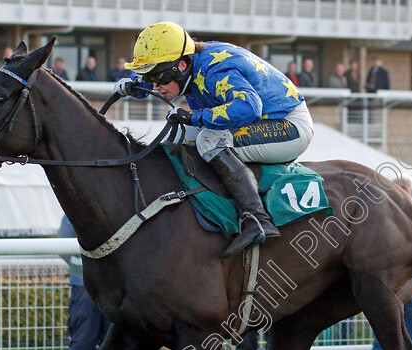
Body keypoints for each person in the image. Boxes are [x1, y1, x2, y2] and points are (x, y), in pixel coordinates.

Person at [115, 21, 314, 257]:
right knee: (178, 134)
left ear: (181, 65)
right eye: (150, 78)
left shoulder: (214, 71)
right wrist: (136, 85)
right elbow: (160, 77)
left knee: (208, 140)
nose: (155, 86)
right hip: (260, 120)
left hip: (288, 124)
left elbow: (249, 107)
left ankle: (256, 219)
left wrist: (194, 116)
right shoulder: (189, 61)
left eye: (158, 77)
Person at [370, 176, 412, 350]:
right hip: (387, 288)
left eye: (404, 187)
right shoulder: (377, 216)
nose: (400, 190)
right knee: (383, 337)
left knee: (409, 336)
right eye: (397, 187)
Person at [58, 216, 112, 350]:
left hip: (86, 281)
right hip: (103, 283)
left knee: (90, 337)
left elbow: (63, 246)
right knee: (96, 338)